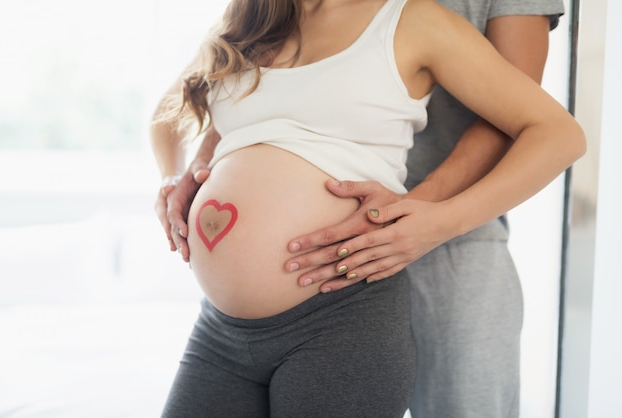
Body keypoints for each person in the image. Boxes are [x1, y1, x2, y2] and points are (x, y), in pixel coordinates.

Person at [151, 0, 584, 417]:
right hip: (223, 329)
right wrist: (174, 177)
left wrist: (441, 221)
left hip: (339, 318)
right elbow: (167, 116)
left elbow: (558, 134)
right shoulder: (249, 16)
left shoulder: (415, 20)